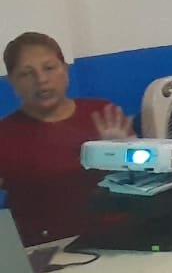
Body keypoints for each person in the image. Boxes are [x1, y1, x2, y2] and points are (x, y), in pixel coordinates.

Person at [0, 33, 134, 246]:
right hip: (44, 250)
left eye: (49, 68)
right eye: (26, 73)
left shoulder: (102, 113)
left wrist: (123, 154)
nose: (41, 80)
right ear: (12, 82)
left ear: (65, 69)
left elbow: (145, 183)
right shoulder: (5, 134)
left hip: (116, 240)